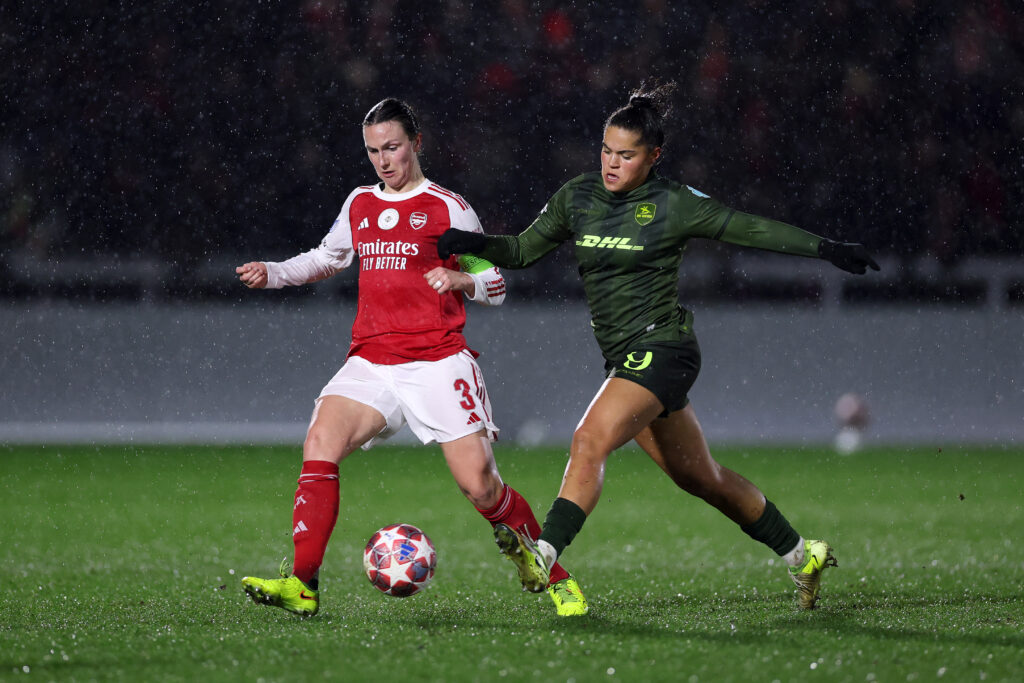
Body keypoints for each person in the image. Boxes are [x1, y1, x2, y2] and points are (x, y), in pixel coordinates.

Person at [437, 81, 880, 610]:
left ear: (653, 157)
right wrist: (475, 245)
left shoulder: (672, 203)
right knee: (703, 478)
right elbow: (522, 250)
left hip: (664, 348)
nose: (612, 163)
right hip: (626, 359)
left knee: (588, 440)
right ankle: (802, 554)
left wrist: (827, 248)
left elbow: (749, 228)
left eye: (626, 155)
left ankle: (544, 552)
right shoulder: (578, 197)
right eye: (606, 150)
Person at [236, 97, 587, 617]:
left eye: (393, 148)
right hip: (372, 361)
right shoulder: (360, 204)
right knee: (320, 443)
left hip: (437, 361)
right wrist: (275, 271)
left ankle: (552, 573)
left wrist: (462, 277)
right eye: (374, 150)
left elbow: (496, 282)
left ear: (417, 144)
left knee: (481, 486)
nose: (383, 160)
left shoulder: (448, 208)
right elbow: (328, 257)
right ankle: (303, 584)